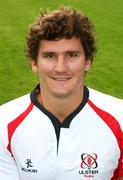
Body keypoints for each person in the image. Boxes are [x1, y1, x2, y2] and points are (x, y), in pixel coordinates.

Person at [0, 6, 123, 180]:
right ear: (34, 63)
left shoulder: (120, 118)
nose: (60, 68)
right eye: (50, 56)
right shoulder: (3, 124)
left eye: (71, 55)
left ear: (88, 61)